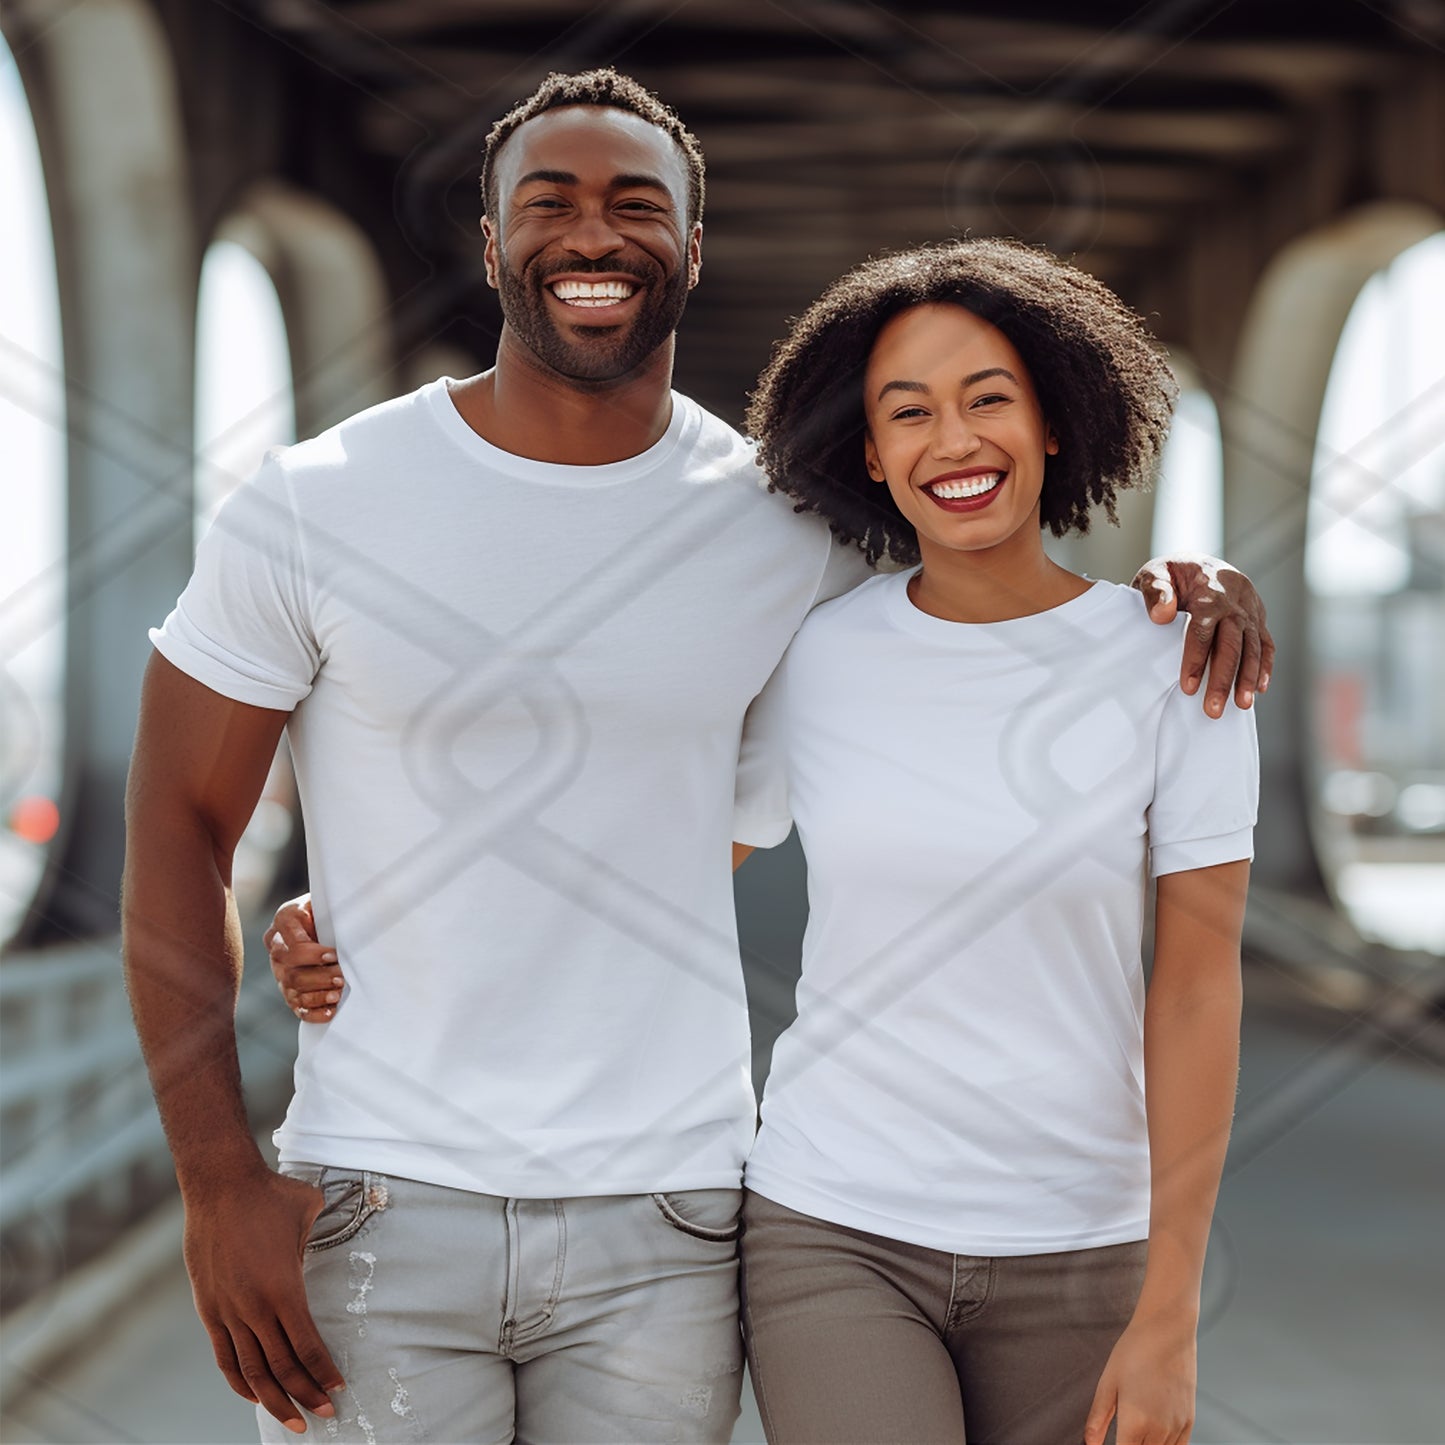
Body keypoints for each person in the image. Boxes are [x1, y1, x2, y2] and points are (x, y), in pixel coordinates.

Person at [126, 67, 1268, 1445]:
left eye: (634, 204)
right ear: (490, 244)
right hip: (379, 1193)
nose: (591, 236)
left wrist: (1187, 586)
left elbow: (962, 622)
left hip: (671, 1215)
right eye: (546, 204)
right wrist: (215, 1177)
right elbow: (180, 821)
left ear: (690, 244)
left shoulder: (785, 538)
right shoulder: (315, 501)